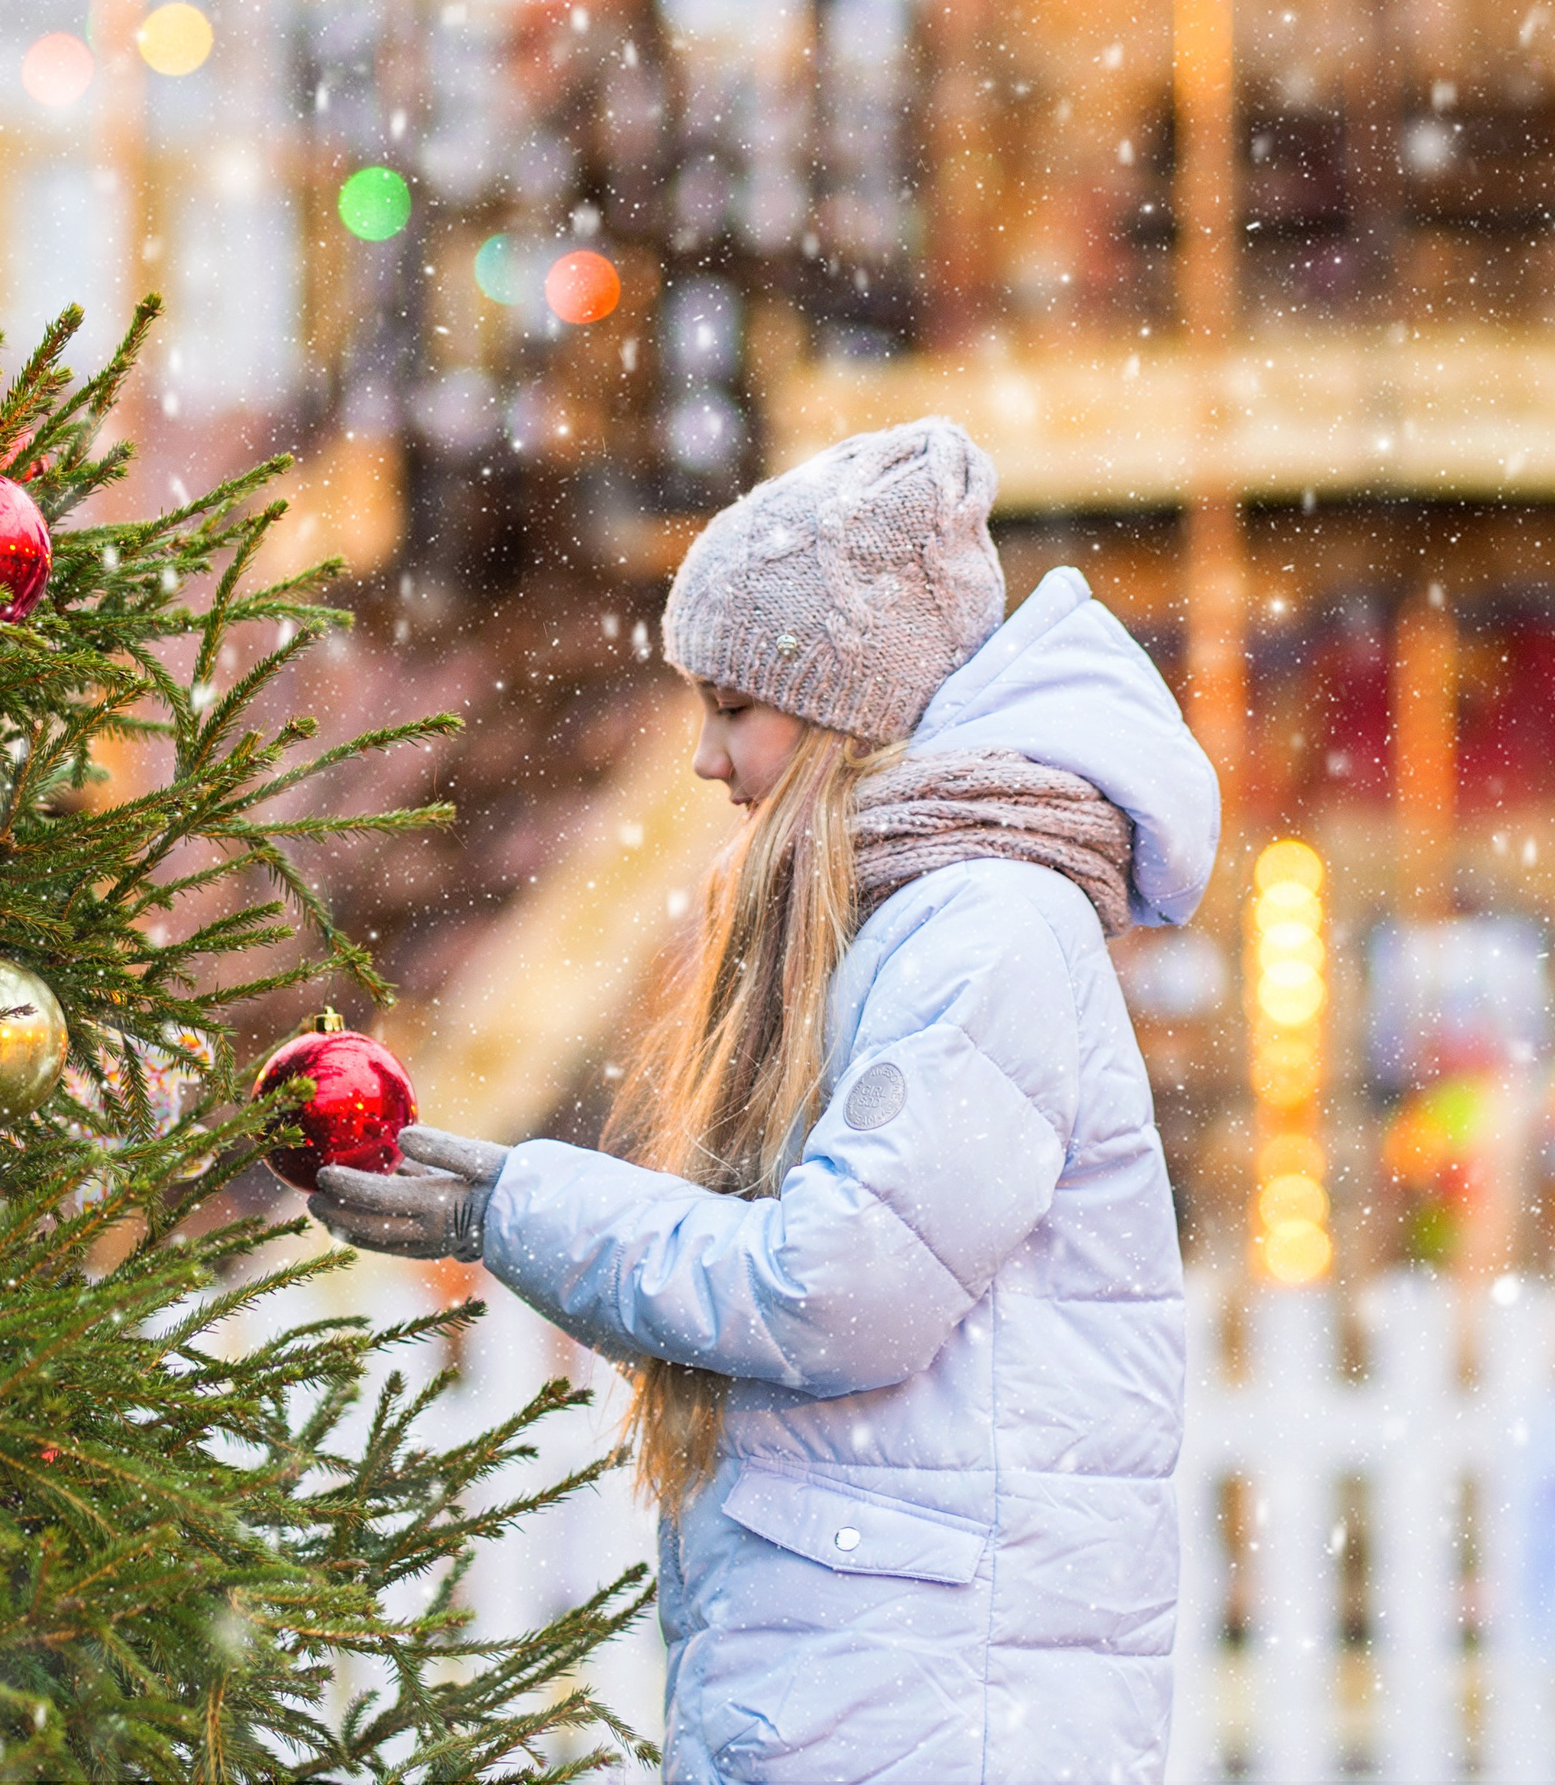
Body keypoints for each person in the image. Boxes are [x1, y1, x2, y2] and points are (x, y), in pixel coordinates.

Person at [312, 418, 1220, 1785]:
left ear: (840, 703)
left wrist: (522, 1208)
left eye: (732, 709)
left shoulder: (986, 936)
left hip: (927, 1703)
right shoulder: (917, 922)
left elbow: (833, 1290)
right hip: (882, 1676)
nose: (706, 762)